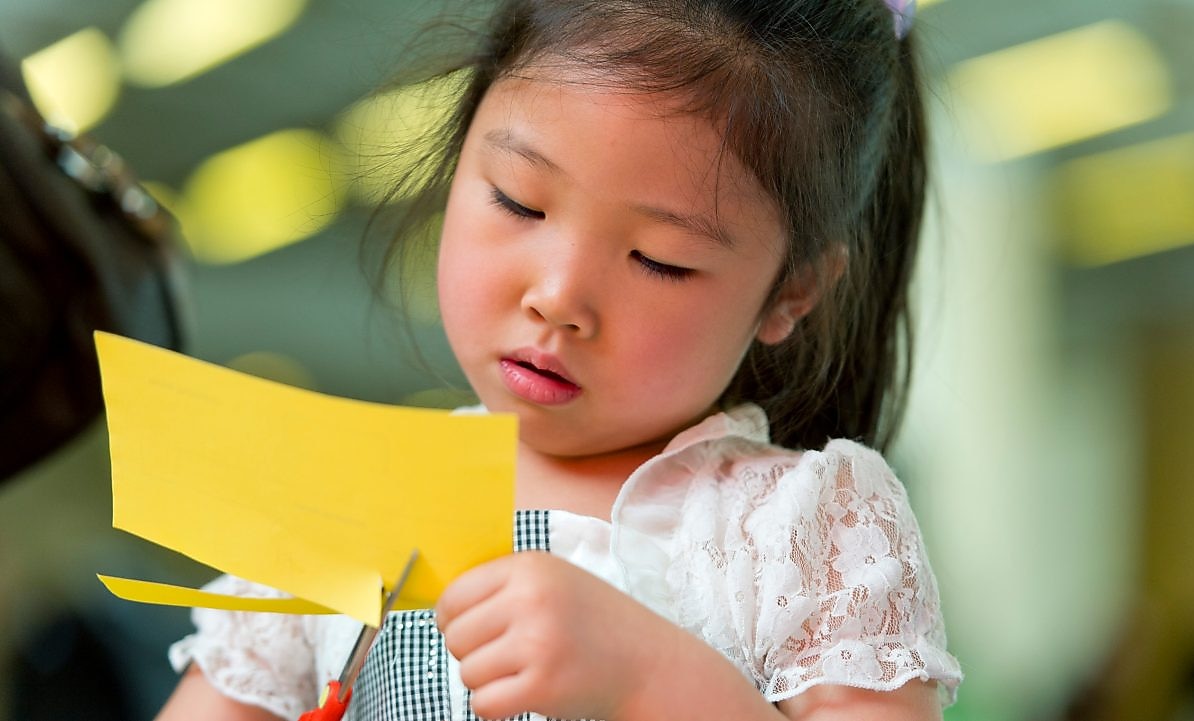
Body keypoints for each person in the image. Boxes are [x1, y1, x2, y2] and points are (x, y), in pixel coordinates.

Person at [154, 0, 962, 719]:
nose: (559, 297)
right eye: (519, 200)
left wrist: (651, 678)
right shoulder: (352, 501)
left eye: (659, 257)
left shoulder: (803, 529)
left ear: (794, 290)